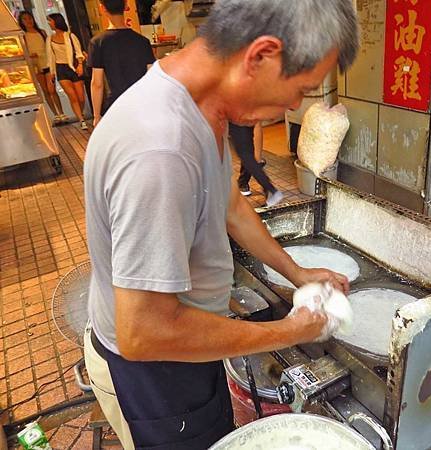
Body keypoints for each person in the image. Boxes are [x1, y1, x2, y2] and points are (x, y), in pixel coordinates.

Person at [83, 0, 359, 448]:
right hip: (154, 371)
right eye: (300, 88)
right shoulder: (160, 149)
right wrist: (290, 331)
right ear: (260, 55)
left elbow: (229, 204)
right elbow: (144, 332)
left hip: (186, 343)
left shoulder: (198, 108)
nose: (292, 105)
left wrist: (297, 272)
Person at [88, 0, 155, 127]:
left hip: (116, 105)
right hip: (142, 103)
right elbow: (152, 76)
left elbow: (97, 83)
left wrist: (97, 116)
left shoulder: (97, 43)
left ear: (102, 8)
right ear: (126, 6)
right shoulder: (142, 41)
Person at [17, 11, 66, 123]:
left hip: (46, 63)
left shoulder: (42, 32)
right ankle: (56, 114)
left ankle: (61, 112)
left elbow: (48, 47)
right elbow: (22, 52)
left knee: (52, 89)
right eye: (25, 19)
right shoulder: (23, 35)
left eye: (30, 18)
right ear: (21, 21)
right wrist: (30, 55)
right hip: (35, 65)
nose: (28, 21)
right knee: (45, 91)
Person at [45, 13, 88, 130]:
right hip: (61, 69)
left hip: (73, 67)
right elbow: (51, 57)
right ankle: (81, 119)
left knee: (81, 98)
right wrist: (52, 72)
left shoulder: (70, 36)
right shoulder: (49, 39)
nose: (49, 23)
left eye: (50, 21)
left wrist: (80, 65)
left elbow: (79, 52)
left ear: (56, 21)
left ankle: (81, 113)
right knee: (72, 96)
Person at [230, 122, 285, 206]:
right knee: (247, 153)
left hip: (237, 116)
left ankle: (270, 189)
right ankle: (267, 188)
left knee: (245, 154)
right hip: (246, 117)